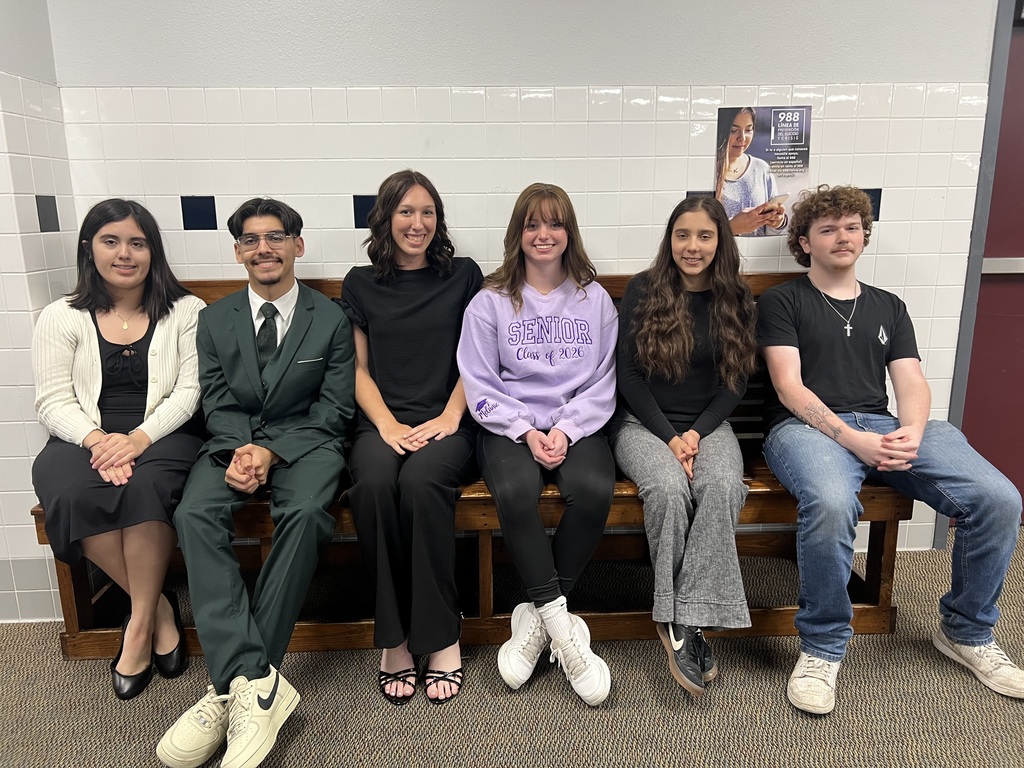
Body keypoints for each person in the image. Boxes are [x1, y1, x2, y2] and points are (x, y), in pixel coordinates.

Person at [757, 184, 1024, 715]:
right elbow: (789, 387)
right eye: (827, 229)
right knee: (832, 504)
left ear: (864, 234)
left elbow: (913, 382)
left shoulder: (888, 306)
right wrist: (853, 439)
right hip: (804, 430)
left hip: (885, 424)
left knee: (1000, 499)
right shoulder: (782, 301)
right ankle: (822, 647)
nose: (842, 237)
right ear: (805, 242)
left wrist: (913, 432)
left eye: (851, 227)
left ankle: (966, 632)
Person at [157, 198, 355, 768]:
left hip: (309, 445)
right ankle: (257, 682)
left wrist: (272, 451)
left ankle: (238, 684)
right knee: (193, 512)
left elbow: (335, 409)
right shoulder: (214, 319)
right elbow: (216, 400)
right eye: (250, 239)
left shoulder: (331, 317)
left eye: (275, 237)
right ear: (237, 250)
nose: (263, 248)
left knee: (307, 513)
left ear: (298, 244)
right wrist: (244, 450)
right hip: (231, 442)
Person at [31, 199, 203, 700]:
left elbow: (190, 392)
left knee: (147, 488)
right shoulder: (61, 316)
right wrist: (97, 440)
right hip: (82, 436)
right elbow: (52, 400)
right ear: (89, 248)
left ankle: (137, 629)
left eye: (137, 242)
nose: (124, 253)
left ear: (153, 251)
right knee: (69, 492)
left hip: (165, 434)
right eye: (111, 241)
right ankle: (157, 613)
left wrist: (137, 440)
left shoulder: (187, 312)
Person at [457, 182, 618, 706]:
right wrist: (526, 429)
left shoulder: (595, 301)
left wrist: (566, 429)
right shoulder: (489, 302)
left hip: (577, 425)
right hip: (510, 427)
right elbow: (479, 382)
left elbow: (603, 381)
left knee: (594, 489)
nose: (543, 234)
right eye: (532, 224)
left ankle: (536, 615)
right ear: (518, 234)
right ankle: (562, 627)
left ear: (569, 232)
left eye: (554, 223)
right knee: (515, 490)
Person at [338, 170, 483, 706]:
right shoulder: (360, 283)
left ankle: (442, 634)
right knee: (374, 484)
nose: (417, 223)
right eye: (405, 212)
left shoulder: (464, 275)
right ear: (385, 218)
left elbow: (479, 356)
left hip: (448, 421)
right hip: (381, 421)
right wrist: (386, 425)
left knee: (422, 484)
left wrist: (449, 416)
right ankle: (394, 638)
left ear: (438, 220)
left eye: (427, 212)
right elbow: (357, 370)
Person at [609, 195, 756, 696]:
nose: (692, 247)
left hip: (707, 427)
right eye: (682, 235)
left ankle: (680, 620)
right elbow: (627, 376)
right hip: (642, 424)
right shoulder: (644, 290)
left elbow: (734, 382)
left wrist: (695, 434)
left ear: (721, 242)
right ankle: (685, 624)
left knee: (720, 486)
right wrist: (670, 438)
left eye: (705, 236)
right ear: (669, 239)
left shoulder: (735, 297)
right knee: (669, 492)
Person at [715, 106, 787, 237]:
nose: (742, 138)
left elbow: (771, 235)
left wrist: (777, 223)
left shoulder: (761, 168)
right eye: (733, 130)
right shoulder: (707, 171)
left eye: (748, 130)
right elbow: (694, 231)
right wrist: (731, 228)